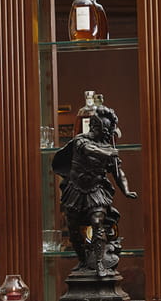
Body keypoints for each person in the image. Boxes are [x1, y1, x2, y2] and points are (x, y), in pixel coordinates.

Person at [51, 104, 137, 276]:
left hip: (96, 190)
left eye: (101, 130)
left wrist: (126, 191)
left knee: (98, 222)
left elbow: (118, 173)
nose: (95, 131)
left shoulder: (109, 147)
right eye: (95, 127)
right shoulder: (81, 140)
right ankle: (83, 261)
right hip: (75, 189)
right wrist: (108, 153)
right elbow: (89, 150)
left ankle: (99, 263)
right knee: (73, 229)